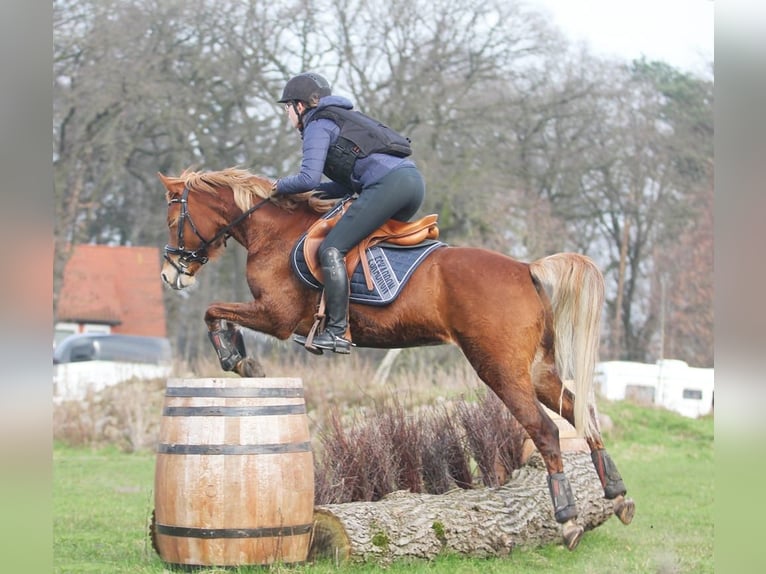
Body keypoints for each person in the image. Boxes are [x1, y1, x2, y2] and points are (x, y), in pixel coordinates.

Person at [273, 72, 426, 354]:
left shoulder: (318, 124)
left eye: (287, 107)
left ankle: (337, 331)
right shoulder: (339, 117)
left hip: (388, 185)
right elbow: (343, 184)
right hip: (410, 183)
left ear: (300, 106)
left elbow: (307, 178)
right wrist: (311, 197)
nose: (286, 114)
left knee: (331, 248)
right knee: (358, 245)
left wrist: (275, 186)